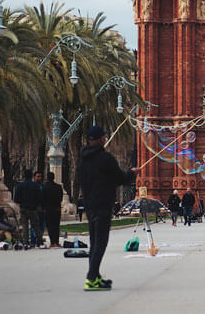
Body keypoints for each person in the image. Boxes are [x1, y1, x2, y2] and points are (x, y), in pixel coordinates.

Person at [78, 125, 138, 291]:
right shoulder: (105, 158)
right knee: (100, 243)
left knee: (93, 242)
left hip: (89, 205)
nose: (105, 138)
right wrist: (133, 172)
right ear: (100, 139)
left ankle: (95, 276)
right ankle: (91, 278)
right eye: (103, 136)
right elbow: (121, 179)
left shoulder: (83, 159)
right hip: (103, 204)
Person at [14, 169, 43, 247]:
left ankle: (26, 242)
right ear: (31, 176)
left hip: (23, 208)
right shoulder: (35, 186)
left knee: (25, 226)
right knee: (36, 226)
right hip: (33, 208)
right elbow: (40, 198)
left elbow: (16, 199)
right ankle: (40, 242)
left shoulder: (20, 186)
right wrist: (35, 204)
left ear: (24, 176)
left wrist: (22, 202)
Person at [42, 172, 63, 248]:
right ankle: (57, 242)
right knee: (56, 225)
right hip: (57, 208)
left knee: (50, 226)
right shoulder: (58, 187)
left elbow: (43, 198)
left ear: (47, 178)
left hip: (48, 209)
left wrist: (44, 207)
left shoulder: (44, 187)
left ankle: (52, 242)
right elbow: (60, 198)